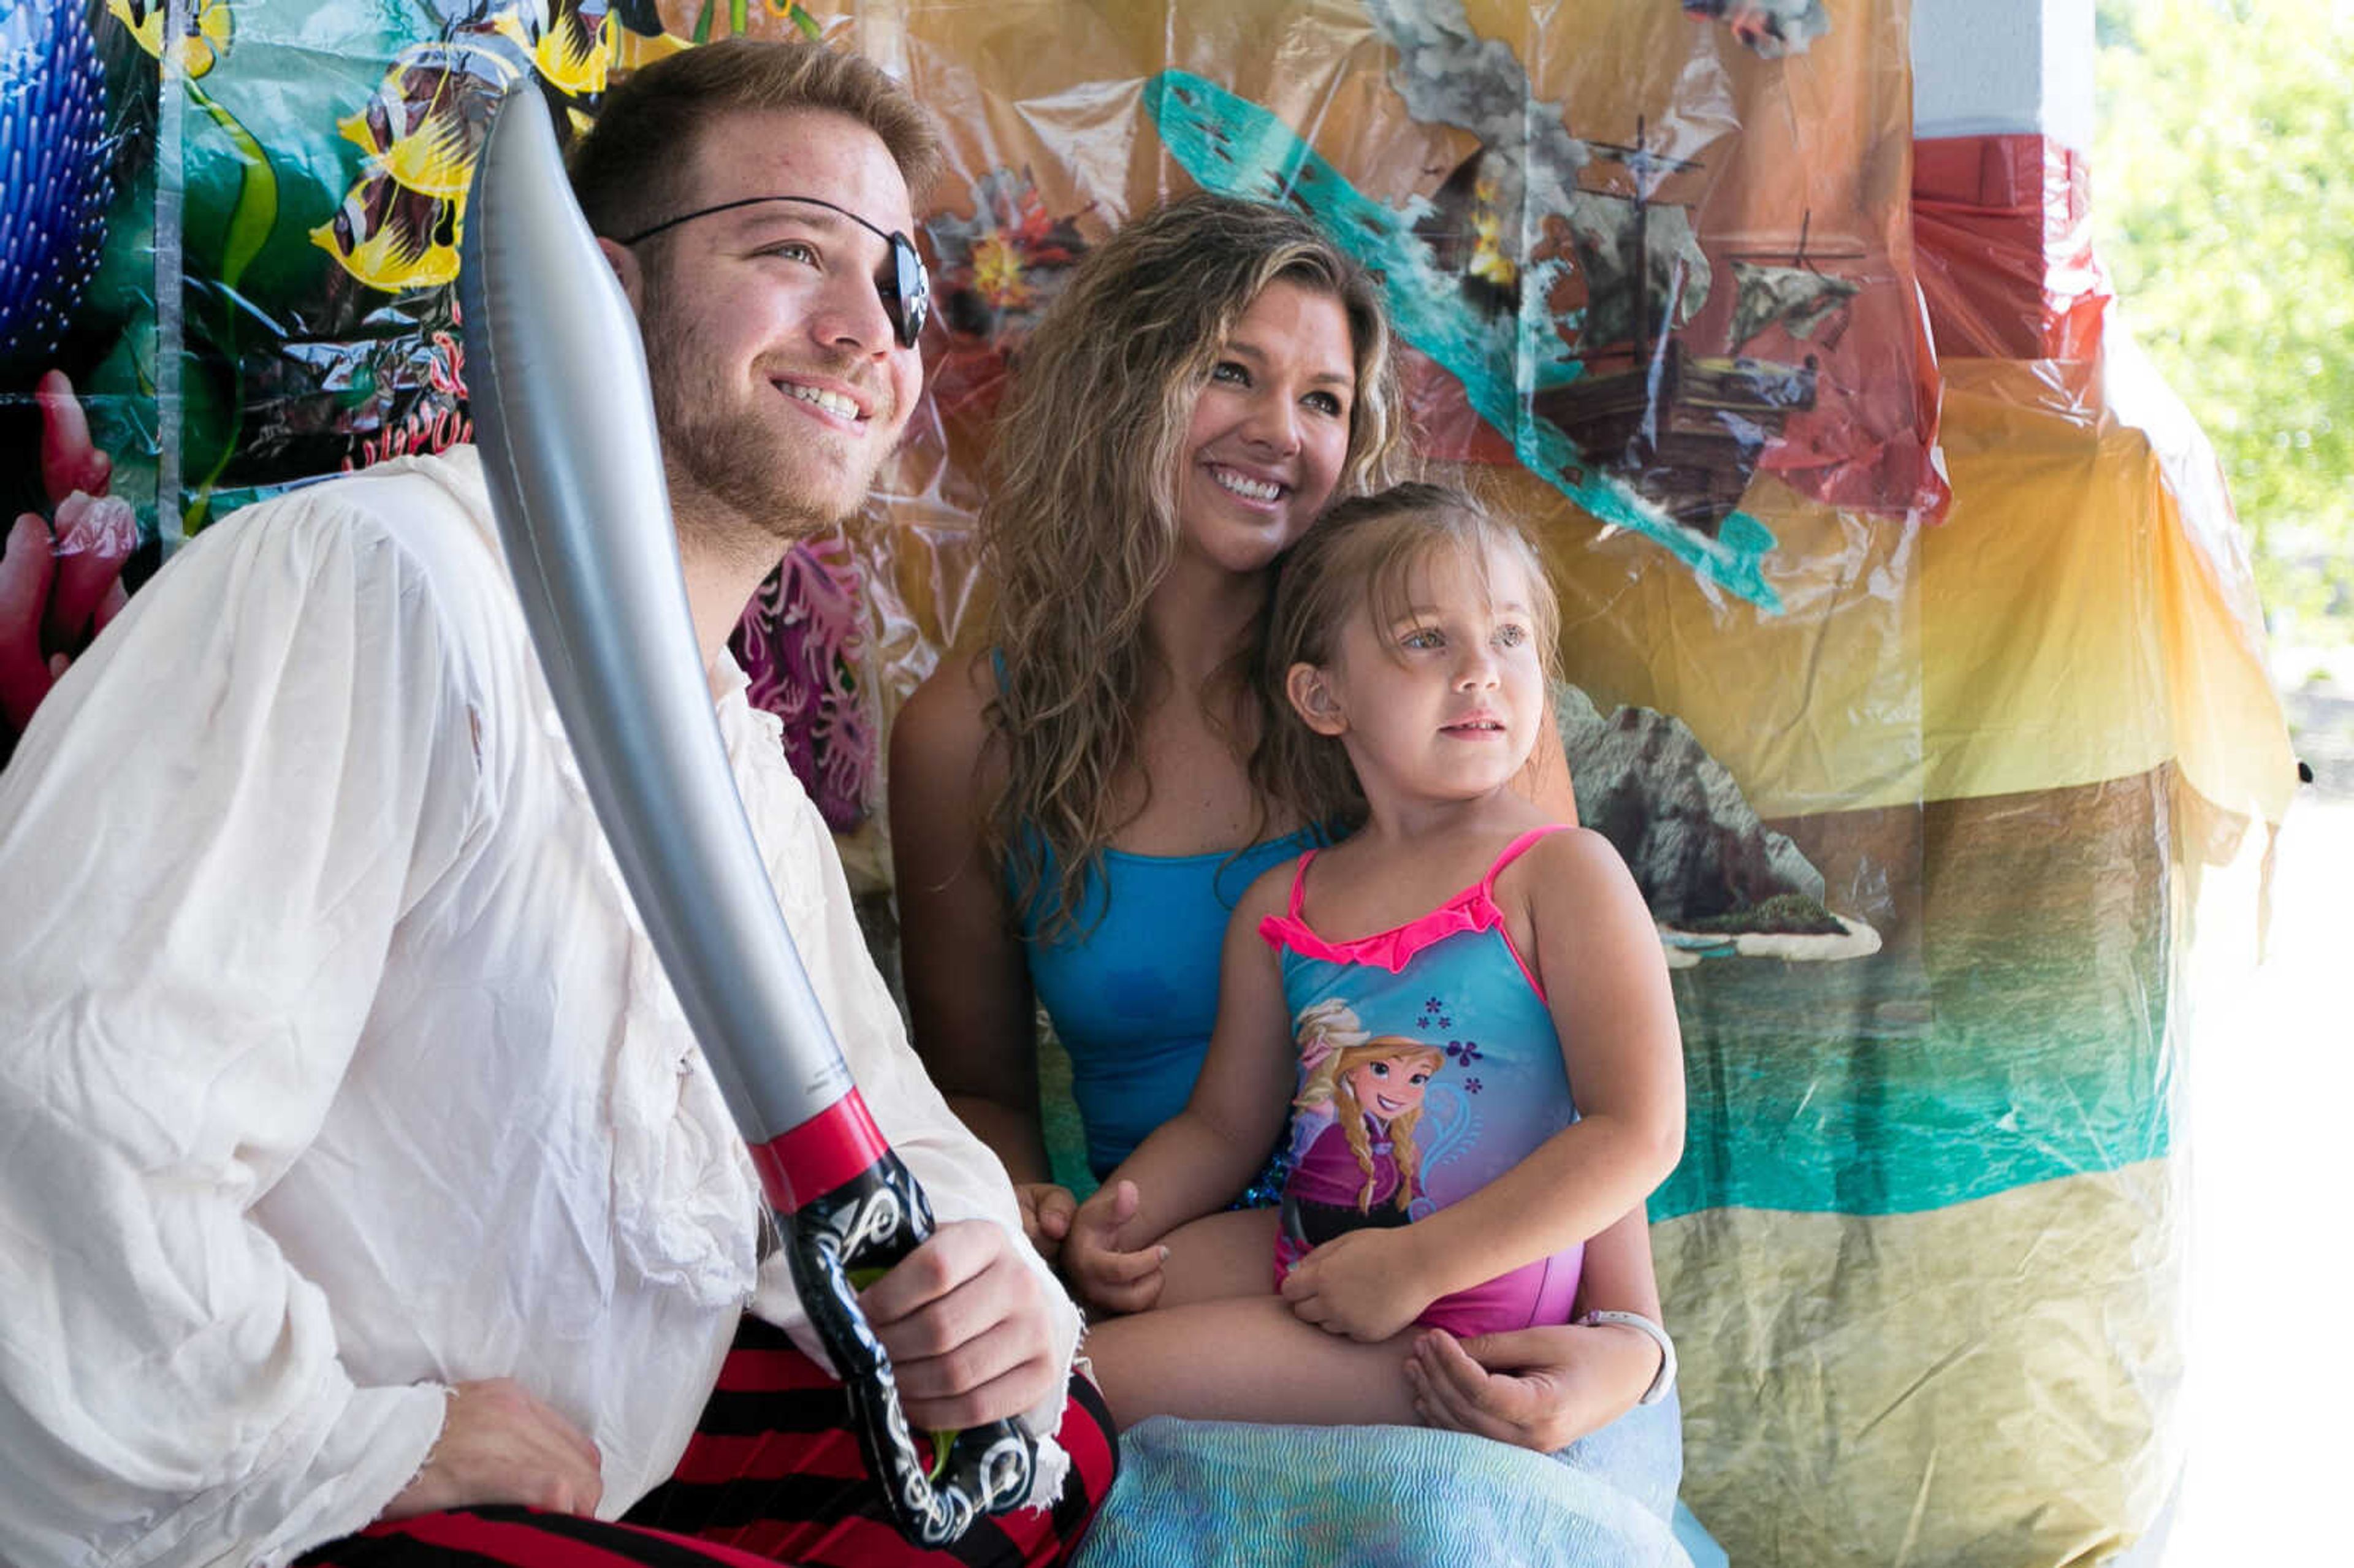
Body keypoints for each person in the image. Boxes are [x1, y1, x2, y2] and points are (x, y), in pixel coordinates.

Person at [0, 38, 1113, 1568]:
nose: (869, 333)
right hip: (276, 1489)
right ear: (602, 295)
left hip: (584, 1451)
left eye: (900, 286)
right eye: (792, 250)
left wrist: (984, 1283)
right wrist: (357, 1444)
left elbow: (878, 1119)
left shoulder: (732, 748)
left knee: (1040, 1450)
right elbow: (63, 1119)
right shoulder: (378, 587)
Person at [889, 193, 1677, 1451]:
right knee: (1020, 1408)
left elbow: (1572, 1070)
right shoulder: (965, 738)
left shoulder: (1433, 701)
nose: (1281, 432)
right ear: (1120, 388)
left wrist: (1629, 1347)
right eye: (1230, 373)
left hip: (1484, 1310)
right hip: (1198, 1278)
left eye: (1323, 399)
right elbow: (976, 1089)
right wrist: (1043, 1222)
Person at [1060, 484, 1685, 1428]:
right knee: (1071, 1306)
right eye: (1428, 638)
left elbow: (1636, 1131)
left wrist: (1419, 1263)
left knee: (1086, 1374)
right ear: (1323, 696)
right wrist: (1119, 1218)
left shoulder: (1563, 872)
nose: (1482, 671)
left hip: (1462, 1312)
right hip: (1319, 1252)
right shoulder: (1285, 905)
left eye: (1511, 636)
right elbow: (1226, 1129)